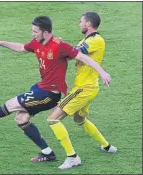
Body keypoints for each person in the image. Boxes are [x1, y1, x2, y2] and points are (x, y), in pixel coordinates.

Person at [0, 16, 111, 163]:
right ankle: (47, 153)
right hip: (40, 88)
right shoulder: (37, 42)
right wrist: (2, 42)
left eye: (35, 31)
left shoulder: (60, 46)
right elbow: (22, 48)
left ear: (45, 32)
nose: (33, 34)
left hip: (50, 94)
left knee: (11, 105)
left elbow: (84, 58)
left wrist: (102, 72)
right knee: (21, 119)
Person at [46, 12, 117, 170]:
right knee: (80, 120)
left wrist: (59, 47)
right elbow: (72, 53)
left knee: (52, 119)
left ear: (88, 24)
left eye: (81, 22)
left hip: (83, 89)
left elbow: (71, 55)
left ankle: (72, 157)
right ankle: (106, 146)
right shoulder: (87, 40)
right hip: (88, 87)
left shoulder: (95, 40)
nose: (79, 24)